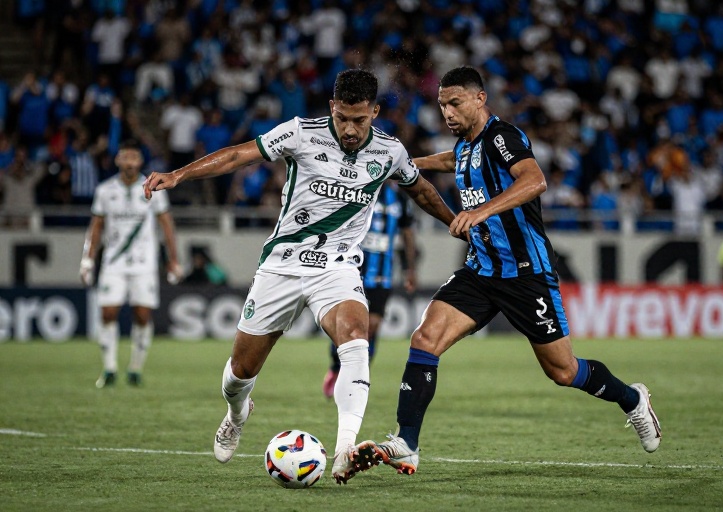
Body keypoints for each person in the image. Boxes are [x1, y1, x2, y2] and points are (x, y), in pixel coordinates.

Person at [142, 69, 457, 484]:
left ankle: (346, 448)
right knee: (239, 373)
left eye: (359, 120)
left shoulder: (390, 152)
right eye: (342, 117)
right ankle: (238, 413)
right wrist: (179, 174)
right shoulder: (300, 133)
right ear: (332, 107)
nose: (349, 128)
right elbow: (239, 155)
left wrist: (457, 222)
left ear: (375, 113)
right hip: (283, 264)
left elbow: (421, 191)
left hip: (337, 266)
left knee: (356, 337)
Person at [353, 66, 662, 477]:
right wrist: (400, 164)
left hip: (525, 272)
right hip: (481, 270)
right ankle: (407, 442)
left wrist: (479, 211)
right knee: (425, 338)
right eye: (442, 104)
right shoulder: (464, 145)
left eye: (455, 102)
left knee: (563, 370)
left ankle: (632, 399)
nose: (446, 112)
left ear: (480, 99)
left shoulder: (503, 137)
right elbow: (451, 160)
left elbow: (535, 180)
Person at [80, 140, 181, 388]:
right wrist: (88, 259)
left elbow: (166, 225)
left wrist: (173, 259)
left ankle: (135, 368)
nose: (129, 161)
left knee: (143, 315)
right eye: (125, 157)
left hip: (144, 262)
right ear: (117, 160)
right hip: (113, 262)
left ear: (140, 161)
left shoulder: (154, 188)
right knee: (107, 312)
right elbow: (96, 227)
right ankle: (109, 368)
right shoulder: (105, 190)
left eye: (134, 157)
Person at [322, 182, 418, 398]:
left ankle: (359, 376)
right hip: (353, 270)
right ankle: (336, 367)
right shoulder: (356, 190)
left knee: (371, 326)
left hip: (383, 274)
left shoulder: (399, 198)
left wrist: (409, 268)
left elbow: (408, 233)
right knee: (349, 323)